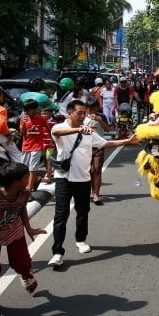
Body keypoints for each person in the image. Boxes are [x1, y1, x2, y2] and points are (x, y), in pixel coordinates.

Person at [47, 100, 138, 268]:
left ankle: (80, 240)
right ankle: (57, 252)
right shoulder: (59, 127)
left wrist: (127, 141)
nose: (83, 116)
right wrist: (78, 129)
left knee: (83, 212)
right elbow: (58, 133)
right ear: (70, 113)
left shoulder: (89, 131)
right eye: (79, 113)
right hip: (64, 178)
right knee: (61, 214)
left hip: (83, 179)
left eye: (84, 113)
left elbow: (105, 143)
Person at [0, 162, 47, 316]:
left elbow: (22, 208)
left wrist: (29, 228)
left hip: (14, 232)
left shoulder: (24, 192)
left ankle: (26, 275)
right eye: (26, 176)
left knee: (22, 263)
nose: (30, 177)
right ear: (15, 182)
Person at [19, 99, 49, 191]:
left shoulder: (41, 119)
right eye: (25, 110)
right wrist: (24, 123)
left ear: (34, 109)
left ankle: (29, 190)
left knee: (32, 169)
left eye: (28, 110)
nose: (26, 112)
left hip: (37, 146)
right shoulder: (23, 118)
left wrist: (50, 143)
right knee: (24, 169)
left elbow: (47, 130)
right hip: (26, 146)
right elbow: (22, 134)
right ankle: (35, 180)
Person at [84, 99, 110, 205]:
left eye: (93, 109)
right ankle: (91, 191)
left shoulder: (101, 117)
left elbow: (108, 129)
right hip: (85, 147)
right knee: (88, 171)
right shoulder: (82, 117)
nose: (91, 111)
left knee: (97, 169)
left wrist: (100, 120)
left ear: (97, 108)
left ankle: (96, 194)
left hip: (98, 146)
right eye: (89, 109)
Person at [40, 106, 58, 183]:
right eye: (42, 113)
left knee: (48, 158)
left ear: (51, 113)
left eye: (45, 113)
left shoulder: (54, 122)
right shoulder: (40, 122)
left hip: (50, 143)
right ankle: (49, 171)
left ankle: (48, 174)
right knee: (44, 158)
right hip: (42, 143)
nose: (44, 115)